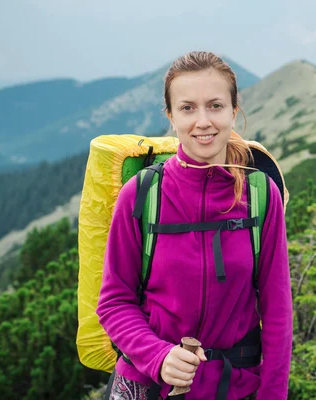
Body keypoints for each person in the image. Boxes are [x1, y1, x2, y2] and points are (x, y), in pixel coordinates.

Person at [96, 51, 293, 400]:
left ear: (234, 111)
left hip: (233, 385)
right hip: (146, 383)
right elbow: (114, 301)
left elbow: (277, 312)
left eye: (215, 106)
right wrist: (158, 355)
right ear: (171, 117)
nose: (203, 121)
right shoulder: (141, 194)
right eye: (188, 108)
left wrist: (273, 395)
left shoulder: (262, 196)